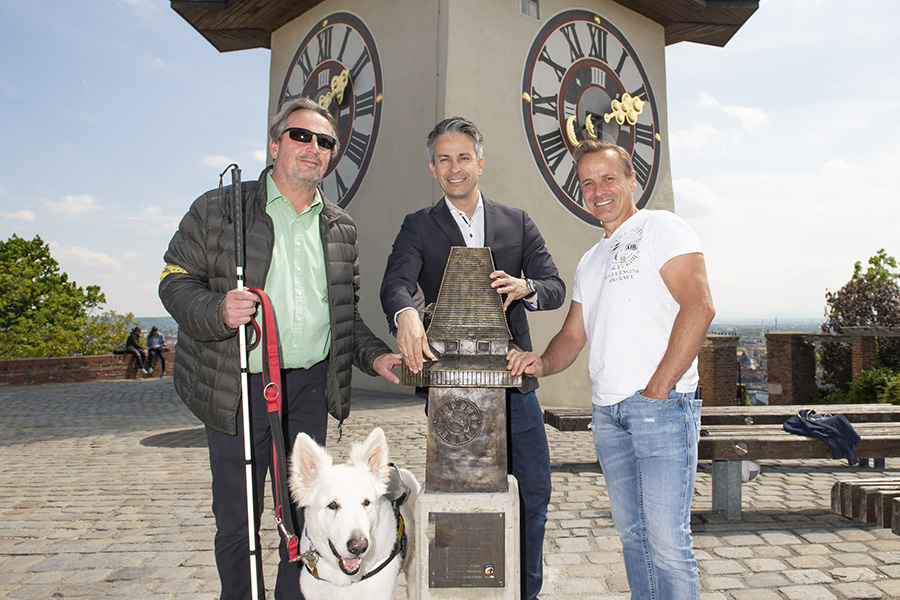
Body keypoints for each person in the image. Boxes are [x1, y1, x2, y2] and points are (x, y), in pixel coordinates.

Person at [159, 96, 401, 600]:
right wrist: (217, 310)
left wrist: (375, 355)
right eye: (301, 136)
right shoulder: (217, 209)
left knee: (306, 515)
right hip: (235, 387)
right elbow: (174, 281)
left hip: (307, 388)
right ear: (275, 144)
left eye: (325, 141)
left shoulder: (340, 227)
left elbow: (343, 318)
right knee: (238, 516)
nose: (313, 148)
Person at [506, 139, 715, 600]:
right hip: (608, 415)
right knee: (635, 540)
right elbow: (574, 336)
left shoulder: (661, 227)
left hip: (660, 408)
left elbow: (699, 306)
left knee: (668, 543)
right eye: (587, 182)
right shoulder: (591, 259)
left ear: (632, 180)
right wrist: (540, 361)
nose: (598, 190)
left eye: (608, 178)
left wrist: (658, 387)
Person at [380, 116, 565, 600]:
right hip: (451, 388)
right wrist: (405, 314)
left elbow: (555, 287)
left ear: (480, 163)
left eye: (463, 157)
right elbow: (395, 282)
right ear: (432, 167)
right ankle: (467, 588)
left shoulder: (517, 222)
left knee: (533, 495)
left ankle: (526, 592)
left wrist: (526, 288)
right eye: (444, 159)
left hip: (513, 383)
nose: (454, 168)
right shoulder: (418, 225)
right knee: (456, 497)